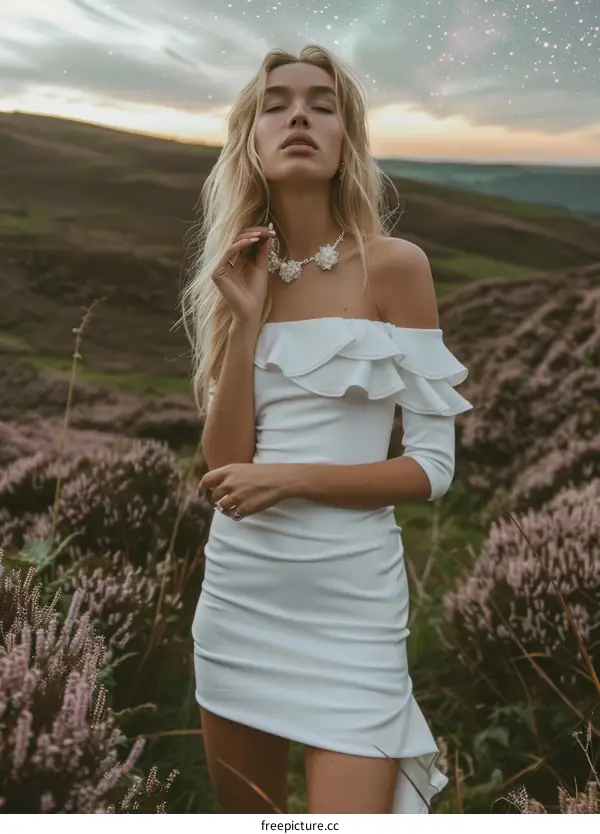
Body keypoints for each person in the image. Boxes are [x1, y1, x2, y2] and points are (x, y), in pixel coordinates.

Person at [181, 44, 473, 815]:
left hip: (353, 607)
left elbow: (433, 468)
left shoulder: (396, 267)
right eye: (276, 104)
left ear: (347, 137)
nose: (299, 114)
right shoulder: (237, 273)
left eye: (322, 102)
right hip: (243, 600)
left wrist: (294, 478)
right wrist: (245, 326)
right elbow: (224, 467)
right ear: (251, 139)